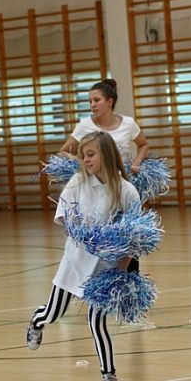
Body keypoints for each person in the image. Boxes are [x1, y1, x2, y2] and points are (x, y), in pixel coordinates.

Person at [27, 131, 140, 381]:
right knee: (53, 313)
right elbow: (64, 218)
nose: (85, 160)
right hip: (75, 261)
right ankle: (35, 323)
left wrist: (120, 272)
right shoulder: (77, 182)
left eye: (91, 154)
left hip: (107, 269)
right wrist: (84, 234)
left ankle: (110, 378)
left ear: (107, 155)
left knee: (96, 320)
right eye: (82, 156)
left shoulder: (127, 191)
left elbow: (135, 238)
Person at [60, 78, 148, 273]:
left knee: (128, 237)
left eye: (96, 100)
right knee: (102, 239)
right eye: (90, 101)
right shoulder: (85, 125)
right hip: (96, 190)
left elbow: (143, 144)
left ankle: (125, 281)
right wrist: (84, 162)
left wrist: (136, 163)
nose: (92, 105)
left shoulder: (128, 124)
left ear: (110, 102)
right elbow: (65, 151)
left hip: (120, 185)